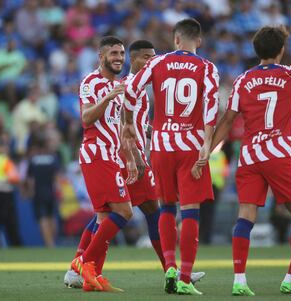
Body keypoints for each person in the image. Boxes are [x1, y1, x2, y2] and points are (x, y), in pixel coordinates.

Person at [201, 23, 291, 296]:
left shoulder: (242, 80)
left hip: (250, 156)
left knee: (245, 216)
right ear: (282, 50)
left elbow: (227, 122)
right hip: (277, 153)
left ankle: (239, 281)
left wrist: (206, 151)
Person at [64, 39, 204, 288]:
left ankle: (170, 270)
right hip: (114, 156)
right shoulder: (115, 85)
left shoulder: (125, 86)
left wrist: (155, 133)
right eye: (147, 58)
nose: (152, 62)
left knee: (148, 210)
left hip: (128, 155)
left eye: (154, 57)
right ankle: (82, 265)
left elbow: (131, 124)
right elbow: (89, 118)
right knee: (112, 214)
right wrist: (133, 155)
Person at [124, 19, 219, 295]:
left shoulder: (156, 63)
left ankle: (169, 266)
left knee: (166, 207)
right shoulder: (207, 67)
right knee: (190, 211)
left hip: (162, 145)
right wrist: (207, 142)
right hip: (191, 145)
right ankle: (186, 278)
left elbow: (131, 90)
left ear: (176, 40)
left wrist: (128, 121)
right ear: (197, 41)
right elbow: (212, 106)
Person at [69, 36, 138, 293]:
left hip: (111, 155)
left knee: (105, 216)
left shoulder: (118, 85)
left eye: (121, 53)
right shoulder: (91, 82)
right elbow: (86, 118)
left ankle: (92, 276)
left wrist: (129, 157)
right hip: (96, 154)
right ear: (101, 57)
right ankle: (85, 262)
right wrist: (108, 97)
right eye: (114, 54)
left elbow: (118, 127)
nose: (119, 57)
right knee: (125, 212)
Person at [24, 133, 60, 248]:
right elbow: (57, 178)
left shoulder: (33, 160)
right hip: (51, 191)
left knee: (42, 218)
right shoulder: (53, 158)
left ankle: (49, 244)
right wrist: (59, 191)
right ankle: (53, 241)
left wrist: (29, 192)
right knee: (52, 217)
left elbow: (30, 179)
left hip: (39, 192)